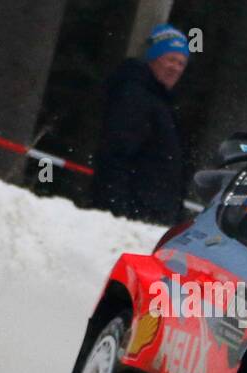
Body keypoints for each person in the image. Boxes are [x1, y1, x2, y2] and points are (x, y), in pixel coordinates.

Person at [90, 23, 190, 224]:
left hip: (154, 213)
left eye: (181, 63)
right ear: (154, 58)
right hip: (134, 214)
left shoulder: (163, 104)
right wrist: (118, 211)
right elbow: (115, 155)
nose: (176, 68)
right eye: (171, 59)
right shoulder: (134, 96)